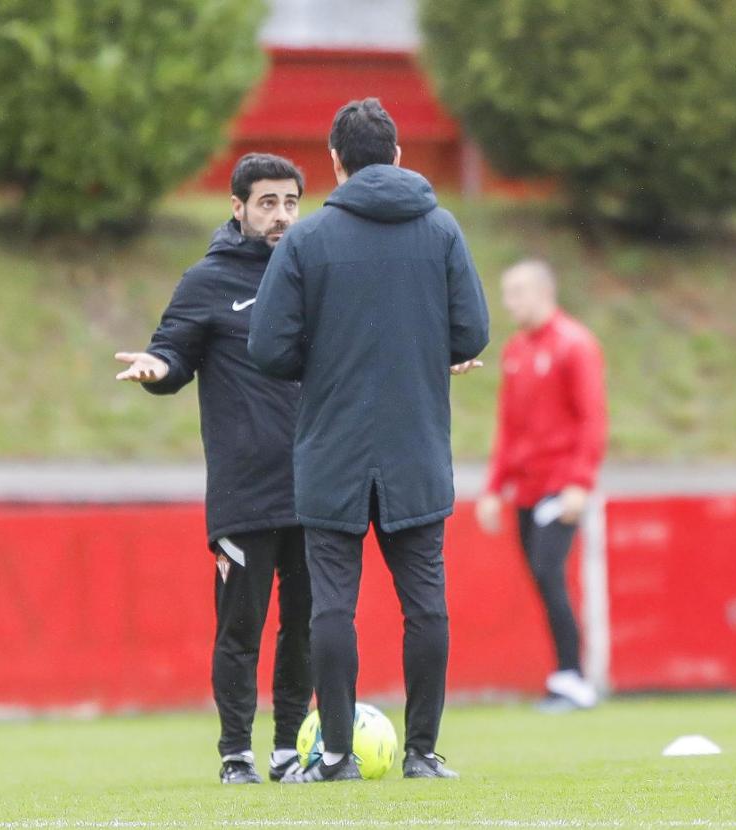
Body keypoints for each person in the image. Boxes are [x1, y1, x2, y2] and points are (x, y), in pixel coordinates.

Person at [248, 98, 490, 783]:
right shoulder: (441, 231)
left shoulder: (307, 239)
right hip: (416, 444)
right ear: (399, 156)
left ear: (335, 161)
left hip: (332, 449)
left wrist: (323, 359)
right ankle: (421, 753)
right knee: (426, 603)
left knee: (332, 605)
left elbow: (268, 349)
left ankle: (335, 756)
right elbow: (472, 333)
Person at [114, 153, 312, 785]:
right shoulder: (207, 279)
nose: (281, 215)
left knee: (307, 626)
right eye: (267, 203)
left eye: (290, 202)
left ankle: (288, 750)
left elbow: (365, 347)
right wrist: (158, 369)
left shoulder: (316, 273)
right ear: (238, 208)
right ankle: (236, 755)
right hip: (246, 489)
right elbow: (171, 352)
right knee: (240, 630)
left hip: (316, 483)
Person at [475, 259, 608, 712]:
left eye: (517, 293)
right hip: (527, 490)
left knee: (550, 574)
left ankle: (574, 676)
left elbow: (592, 419)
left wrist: (579, 483)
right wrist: (495, 487)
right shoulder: (516, 351)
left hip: (560, 486)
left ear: (542, 293)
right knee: (541, 577)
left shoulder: (575, 345)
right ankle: (566, 675)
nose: (509, 302)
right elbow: (510, 426)